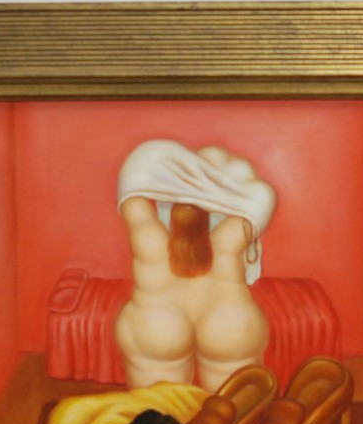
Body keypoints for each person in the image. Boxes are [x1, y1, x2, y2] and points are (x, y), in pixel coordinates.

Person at [115, 141, 276, 392]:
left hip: (157, 325)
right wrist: (222, 188)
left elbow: (134, 175)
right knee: (235, 414)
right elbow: (263, 198)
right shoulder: (229, 240)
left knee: (158, 412)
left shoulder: (149, 240)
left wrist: (182, 174)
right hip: (229, 322)